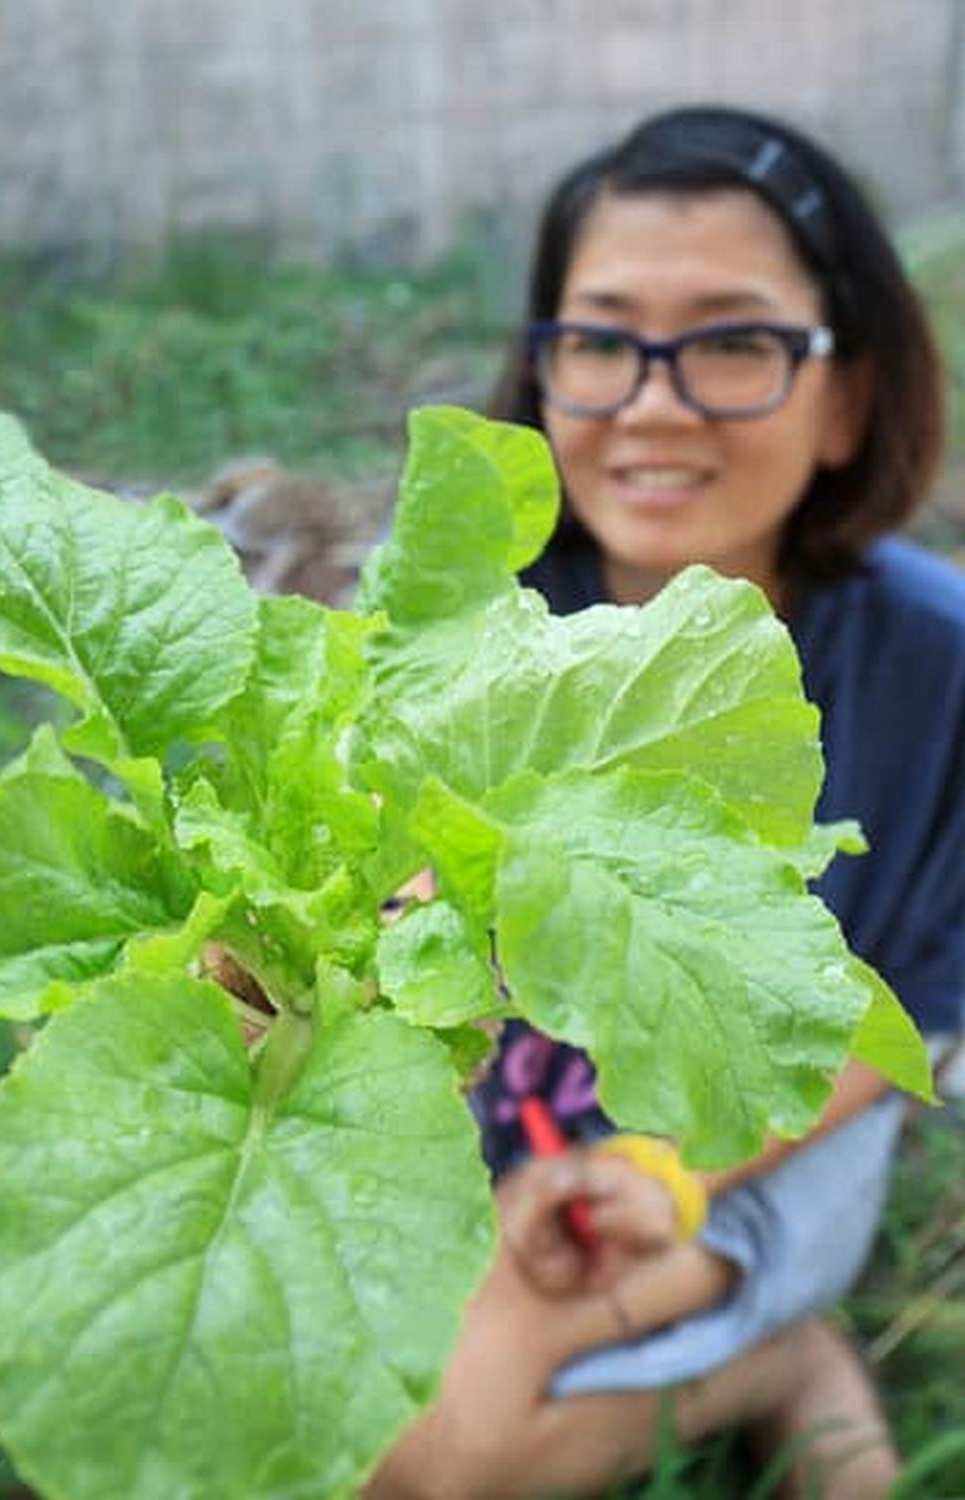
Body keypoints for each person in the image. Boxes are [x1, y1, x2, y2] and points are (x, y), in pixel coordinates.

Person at [365, 104, 965, 1499]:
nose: (651, 398)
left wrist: (664, 1176)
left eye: (734, 340)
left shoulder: (933, 666)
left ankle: (779, 1360)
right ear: (544, 363)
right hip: (496, 1124)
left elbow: (895, 1024)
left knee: (444, 1453)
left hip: (758, 1150)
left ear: (850, 398)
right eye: (601, 338)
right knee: (329, 1425)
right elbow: (376, 909)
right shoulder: (472, 621)